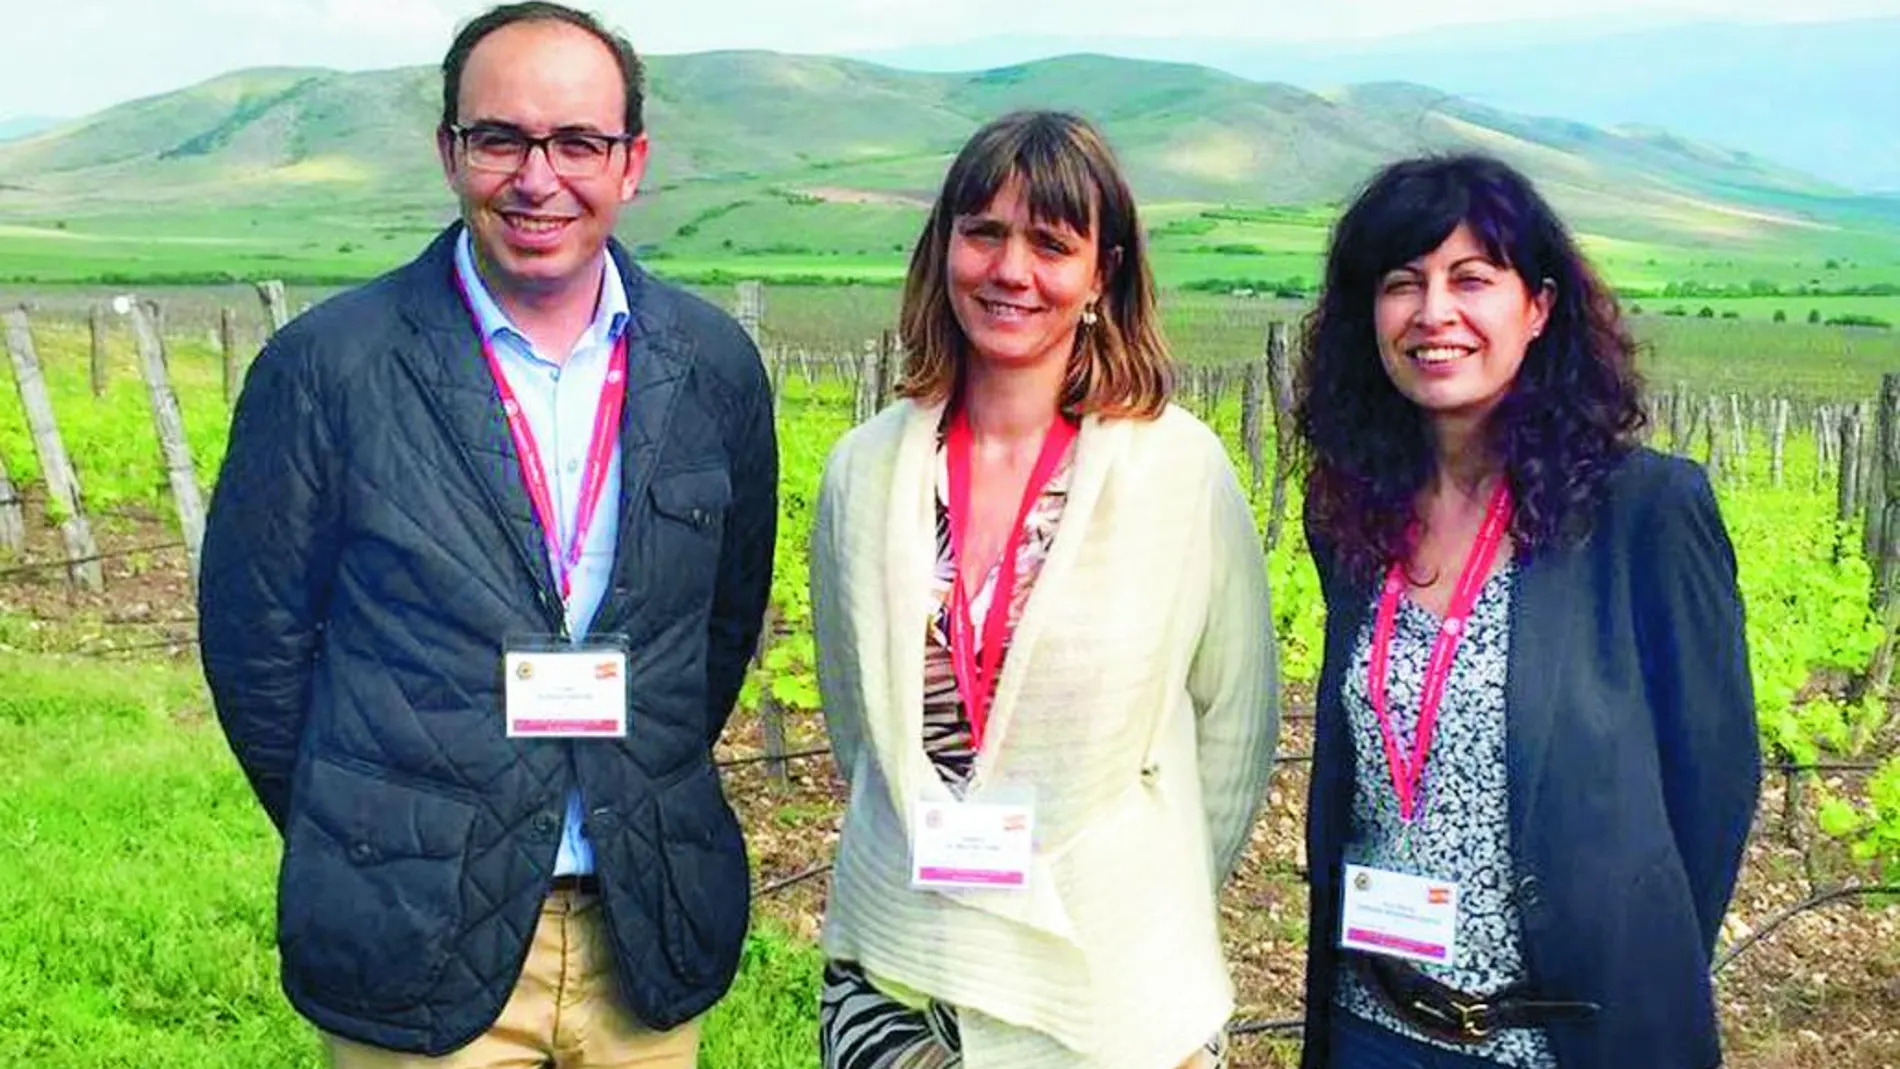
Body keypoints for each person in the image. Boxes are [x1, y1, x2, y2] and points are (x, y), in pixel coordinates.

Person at [196, 3, 777, 1066]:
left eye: (577, 142)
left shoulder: (712, 367)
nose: (537, 176)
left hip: (638, 928)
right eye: (499, 138)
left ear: (631, 160)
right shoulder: (330, 367)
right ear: (448, 152)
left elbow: (717, 630)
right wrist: (377, 829)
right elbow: (256, 650)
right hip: (412, 926)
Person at [807, 109, 1280, 1069]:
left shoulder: (1179, 470)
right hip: (905, 972)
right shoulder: (863, 470)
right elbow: (859, 723)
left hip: (1115, 987)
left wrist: (1145, 887)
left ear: (1102, 274)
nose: (1011, 270)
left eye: (1051, 244)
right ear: (944, 249)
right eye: (984, 233)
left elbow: (1235, 725)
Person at [1292, 154, 1759, 1069]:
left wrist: (1633, 978)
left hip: (1558, 1042)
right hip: (1372, 1028)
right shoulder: (1353, 513)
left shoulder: (1644, 513)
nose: (1435, 312)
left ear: (1537, 308)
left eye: (1472, 279)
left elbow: (1714, 787)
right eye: (1402, 284)